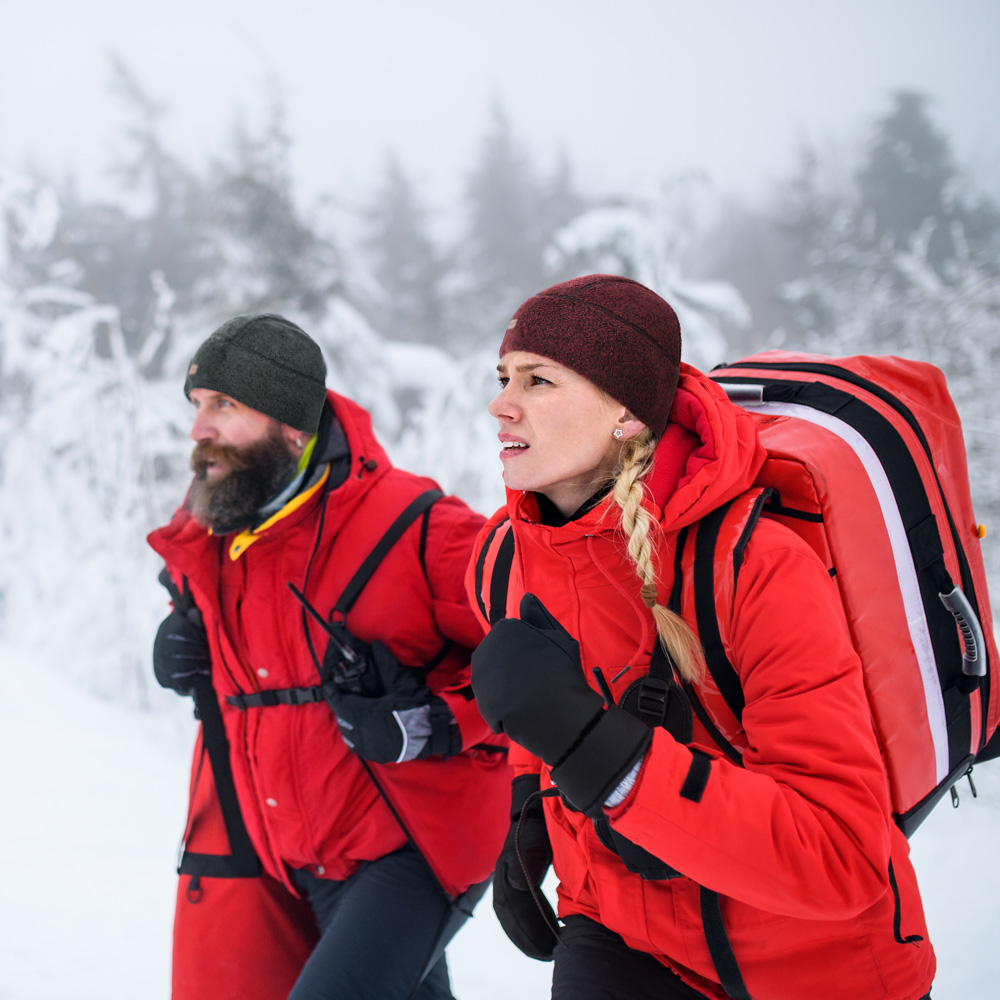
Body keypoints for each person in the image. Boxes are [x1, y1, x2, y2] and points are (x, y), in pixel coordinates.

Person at [467, 275, 935, 1000]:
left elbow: (842, 858)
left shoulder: (756, 567)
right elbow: (550, 702)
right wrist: (529, 805)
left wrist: (602, 758)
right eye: (503, 377)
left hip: (811, 966)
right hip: (622, 931)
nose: (501, 403)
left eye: (538, 380)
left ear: (624, 412)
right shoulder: (507, 560)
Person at [148, 312, 510, 1000]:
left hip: (414, 846)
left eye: (225, 405)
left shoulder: (415, 524)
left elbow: (538, 650)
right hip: (294, 853)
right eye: (197, 406)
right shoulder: (222, 537)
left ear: (292, 424)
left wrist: (434, 720)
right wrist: (178, 641)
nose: (200, 429)